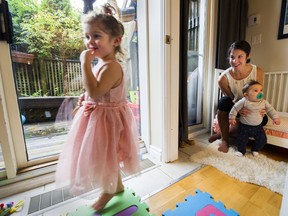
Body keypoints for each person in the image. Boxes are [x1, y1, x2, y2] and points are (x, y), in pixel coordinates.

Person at [55, 4, 140, 213]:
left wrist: (84, 64)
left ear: (116, 41)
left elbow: (95, 91)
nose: (89, 42)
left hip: (107, 121)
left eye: (96, 36)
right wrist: (84, 99)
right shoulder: (102, 62)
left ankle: (108, 191)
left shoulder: (111, 66)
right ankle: (117, 185)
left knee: (105, 157)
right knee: (107, 155)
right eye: (87, 36)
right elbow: (95, 91)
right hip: (99, 117)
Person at [208, 40, 267, 153]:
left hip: (251, 104)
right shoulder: (223, 79)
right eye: (232, 57)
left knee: (264, 119)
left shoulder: (257, 71)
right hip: (236, 104)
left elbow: (258, 94)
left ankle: (220, 134)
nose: (235, 61)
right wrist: (239, 109)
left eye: (240, 56)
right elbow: (231, 98)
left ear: (248, 56)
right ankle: (225, 140)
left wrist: (255, 107)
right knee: (223, 102)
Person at [229, 80, 280, 156]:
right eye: (255, 91)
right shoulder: (243, 101)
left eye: (261, 90)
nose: (260, 92)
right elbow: (235, 108)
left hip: (258, 127)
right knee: (241, 140)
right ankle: (241, 151)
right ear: (246, 95)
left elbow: (270, 109)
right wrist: (232, 118)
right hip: (244, 126)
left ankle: (255, 149)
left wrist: (275, 117)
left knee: (262, 140)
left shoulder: (263, 102)